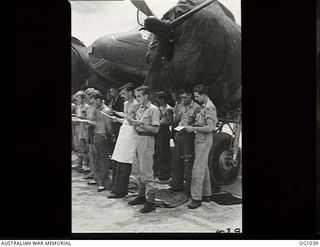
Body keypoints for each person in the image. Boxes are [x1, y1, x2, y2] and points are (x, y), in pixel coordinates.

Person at [127, 85, 160, 213]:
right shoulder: (140, 108)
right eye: (136, 96)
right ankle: (141, 195)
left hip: (147, 140)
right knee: (138, 169)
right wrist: (133, 123)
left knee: (146, 171)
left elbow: (156, 129)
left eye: (139, 96)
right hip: (138, 138)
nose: (137, 98)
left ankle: (151, 201)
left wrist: (140, 124)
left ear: (146, 96)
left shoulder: (153, 110)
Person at [184, 84, 218, 209]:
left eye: (198, 97)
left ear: (204, 95)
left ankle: (196, 198)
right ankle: (206, 194)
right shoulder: (205, 106)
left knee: (197, 169)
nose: (196, 99)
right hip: (201, 139)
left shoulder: (209, 108)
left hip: (203, 140)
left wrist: (193, 128)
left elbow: (211, 127)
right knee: (203, 167)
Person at [107, 83, 140, 199]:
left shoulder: (137, 105)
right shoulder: (126, 104)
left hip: (131, 134)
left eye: (124, 93)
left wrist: (125, 118)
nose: (123, 96)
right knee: (117, 159)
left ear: (131, 93)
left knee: (125, 161)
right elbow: (126, 120)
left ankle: (121, 190)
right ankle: (116, 188)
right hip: (123, 132)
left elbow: (133, 121)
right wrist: (117, 119)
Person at [170, 87, 201, 196]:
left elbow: (199, 123)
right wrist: (174, 113)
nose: (183, 99)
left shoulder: (197, 108)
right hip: (179, 135)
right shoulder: (179, 106)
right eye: (181, 97)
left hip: (189, 136)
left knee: (188, 164)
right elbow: (176, 120)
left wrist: (190, 126)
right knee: (176, 162)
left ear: (190, 95)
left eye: (185, 97)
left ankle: (187, 190)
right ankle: (176, 186)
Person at [88, 91, 115, 192]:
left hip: (102, 136)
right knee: (97, 159)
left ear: (99, 99)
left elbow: (108, 127)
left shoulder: (106, 110)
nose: (93, 104)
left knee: (103, 159)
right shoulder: (99, 109)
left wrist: (111, 136)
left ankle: (103, 182)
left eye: (94, 102)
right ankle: (99, 180)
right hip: (97, 135)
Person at [154, 91, 174, 182]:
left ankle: (165, 174)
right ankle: (159, 172)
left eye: (159, 100)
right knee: (158, 151)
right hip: (159, 131)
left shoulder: (168, 109)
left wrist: (162, 124)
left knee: (164, 151)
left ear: (162, 99)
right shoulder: (160, 108)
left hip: (164, 131)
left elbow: (170, 121)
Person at [82, 88, 98, 179]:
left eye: (87, 98)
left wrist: (88, 121)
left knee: (94, 153)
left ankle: (96, 173)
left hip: (94, 130)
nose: (86, 100)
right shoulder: (90, 107)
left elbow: (97, 120)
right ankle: (92, 171)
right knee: (90, 152)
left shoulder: (96, 107)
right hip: (89, 129)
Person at [72, 91, 90, 172]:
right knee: (78, 147)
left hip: (84, 129)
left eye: (78, 98)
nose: (77, 100)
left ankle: (85, 165)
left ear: (83, 98)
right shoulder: (78, 106)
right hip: (78, 128)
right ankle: (79, 164)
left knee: (84, 148)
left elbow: (88, 118)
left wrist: (81, 117)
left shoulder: (87, 107)